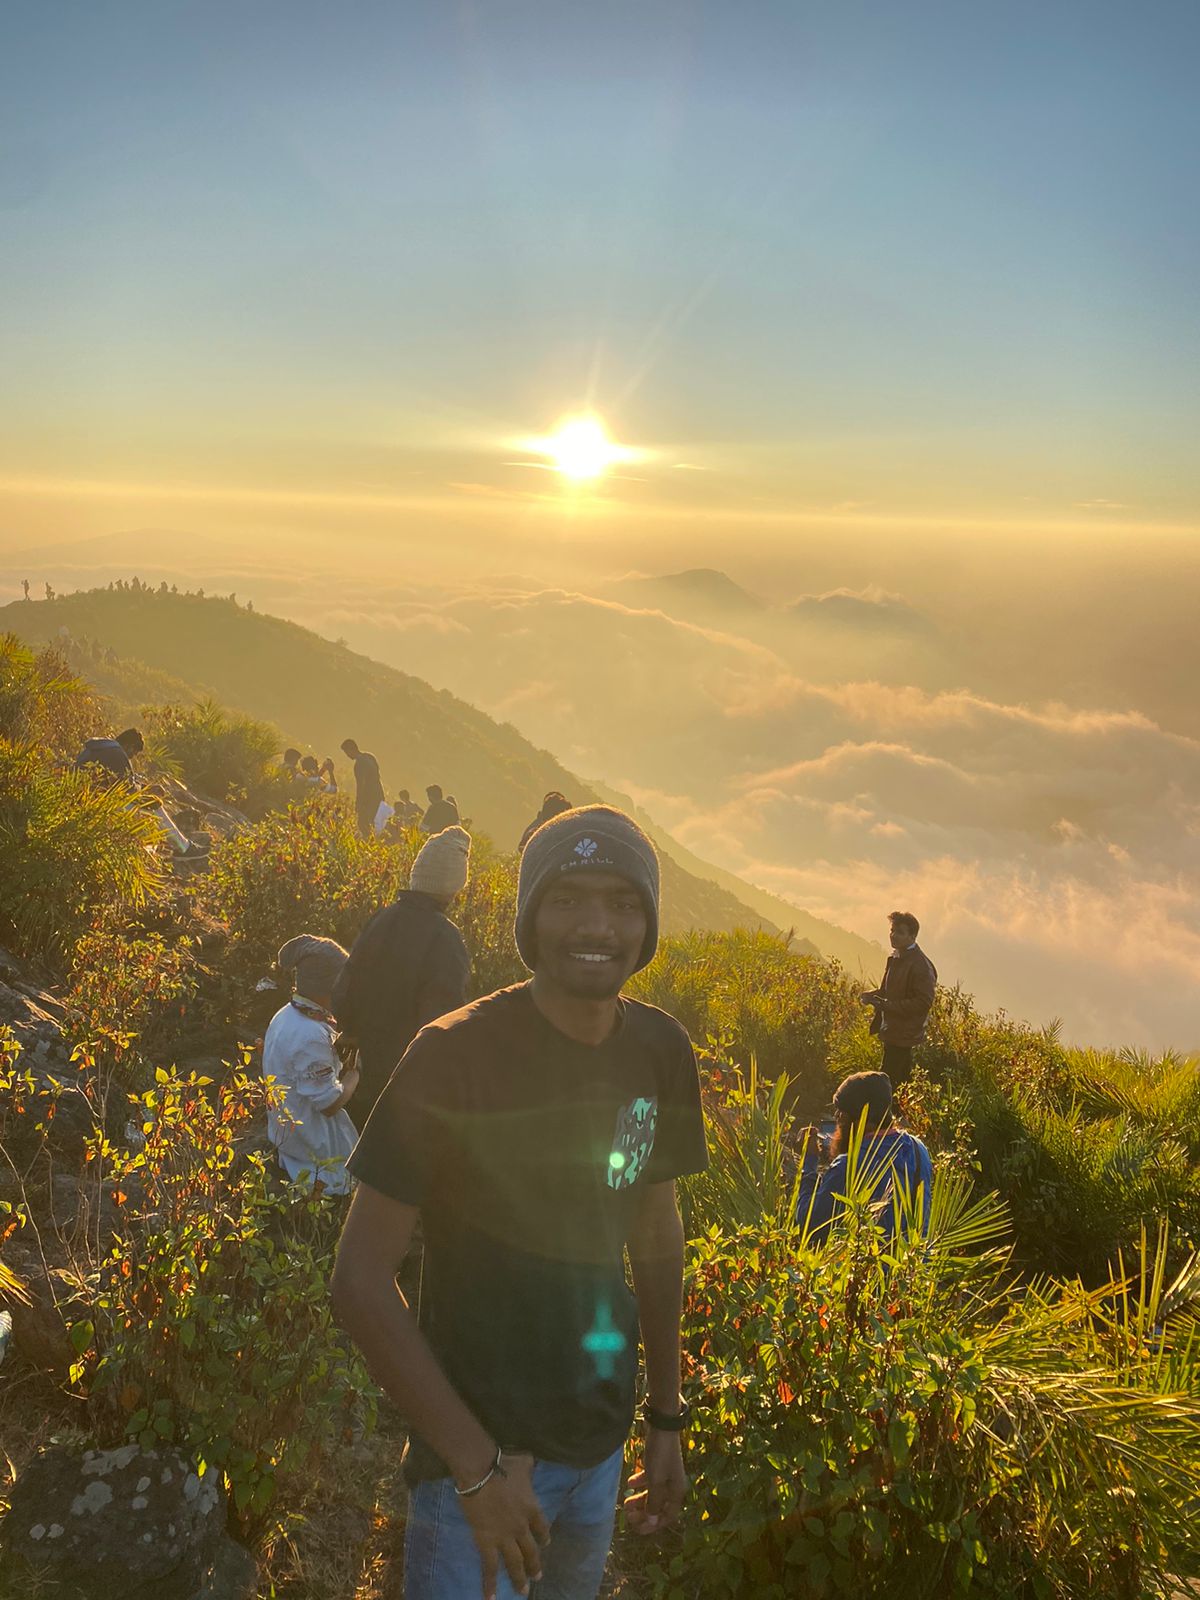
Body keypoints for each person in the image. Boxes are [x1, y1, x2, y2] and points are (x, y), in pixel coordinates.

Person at [332, 805, 707, 1600]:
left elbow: (653, 1228)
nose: (596, 925)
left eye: (623, 901)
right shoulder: (452, 1056)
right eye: (567, 898)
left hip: (599, 1452)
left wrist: (665, 1417)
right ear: (530, 915)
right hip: (480, 1470)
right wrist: (476, 1469)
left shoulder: (659, 1051)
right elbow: (360, 1278)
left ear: (649, 921)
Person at [332, 826, 473, 1123]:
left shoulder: (383, 918)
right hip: (406, 1074)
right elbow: (443, 1016)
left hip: (362, 1063)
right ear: (454, 885)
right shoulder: (445, 937)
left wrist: (353, 1030)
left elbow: (347, 983)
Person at [262, 936, 360, 1195]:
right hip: (312, 1142)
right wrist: (355, 1074)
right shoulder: (311, 1035)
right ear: (328, 988)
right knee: (348, 1179)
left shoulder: (286, 1015)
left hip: (287, 1131)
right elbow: (328, 1104)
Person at [795, 1071, 932, 1243]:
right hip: (917, 1265)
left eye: (842, 1114)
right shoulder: (919, 1149)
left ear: (862, 1121)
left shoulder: (847, 1166)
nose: (837, 1119)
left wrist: (809, 1162)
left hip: (869, 1268)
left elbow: (810, 1227)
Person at [74, 728, 203, 859]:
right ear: (130, 746)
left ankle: (178, 846)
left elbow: (119, 783)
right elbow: (127, 789)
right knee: (155, 807)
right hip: (97, 804)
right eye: (134, 753)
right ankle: (183, 848)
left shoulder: (99, 747)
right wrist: (148, 793)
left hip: (83, 799)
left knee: (150, 803)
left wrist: (145, 788)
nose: (132, 756)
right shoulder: (117, 754)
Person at [859, 911, 937, 1085]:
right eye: (892, 930)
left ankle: (883, 1111)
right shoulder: (898, 956)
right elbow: (889, 990)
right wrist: (872, 996)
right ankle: (899, 1110)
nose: (893, 936)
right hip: (894, 1030)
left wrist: (888, 1006)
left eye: (900, 932)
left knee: (887, 1080)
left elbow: (923, 1002)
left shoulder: (920, 966)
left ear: (912, 936)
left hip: (904, 1033)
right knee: (899, 1080)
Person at [341, 739, 385, 839]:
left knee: (364, 825)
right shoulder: (370, 756)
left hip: (368, 799)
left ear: (351, 749)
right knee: (376, 821)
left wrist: (358, 803)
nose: (347, 756)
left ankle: (368, 843)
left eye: (347, 752)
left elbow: (361, 785)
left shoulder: (359, 764)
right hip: (379, 795)